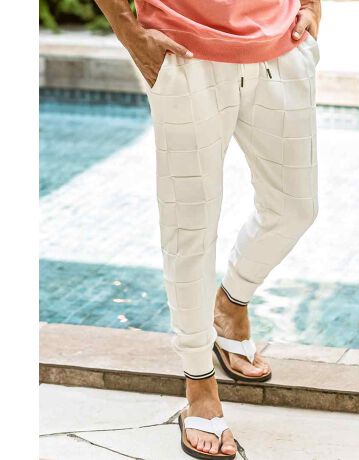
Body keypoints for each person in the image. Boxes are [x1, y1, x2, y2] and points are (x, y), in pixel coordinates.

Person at [94, 1, 321, 458]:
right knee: (190, 229)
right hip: (185, 51)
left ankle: (231, 303)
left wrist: (312, 5)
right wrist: (130, 32)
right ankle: (199, 383)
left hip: (281, 44)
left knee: (295, 208)